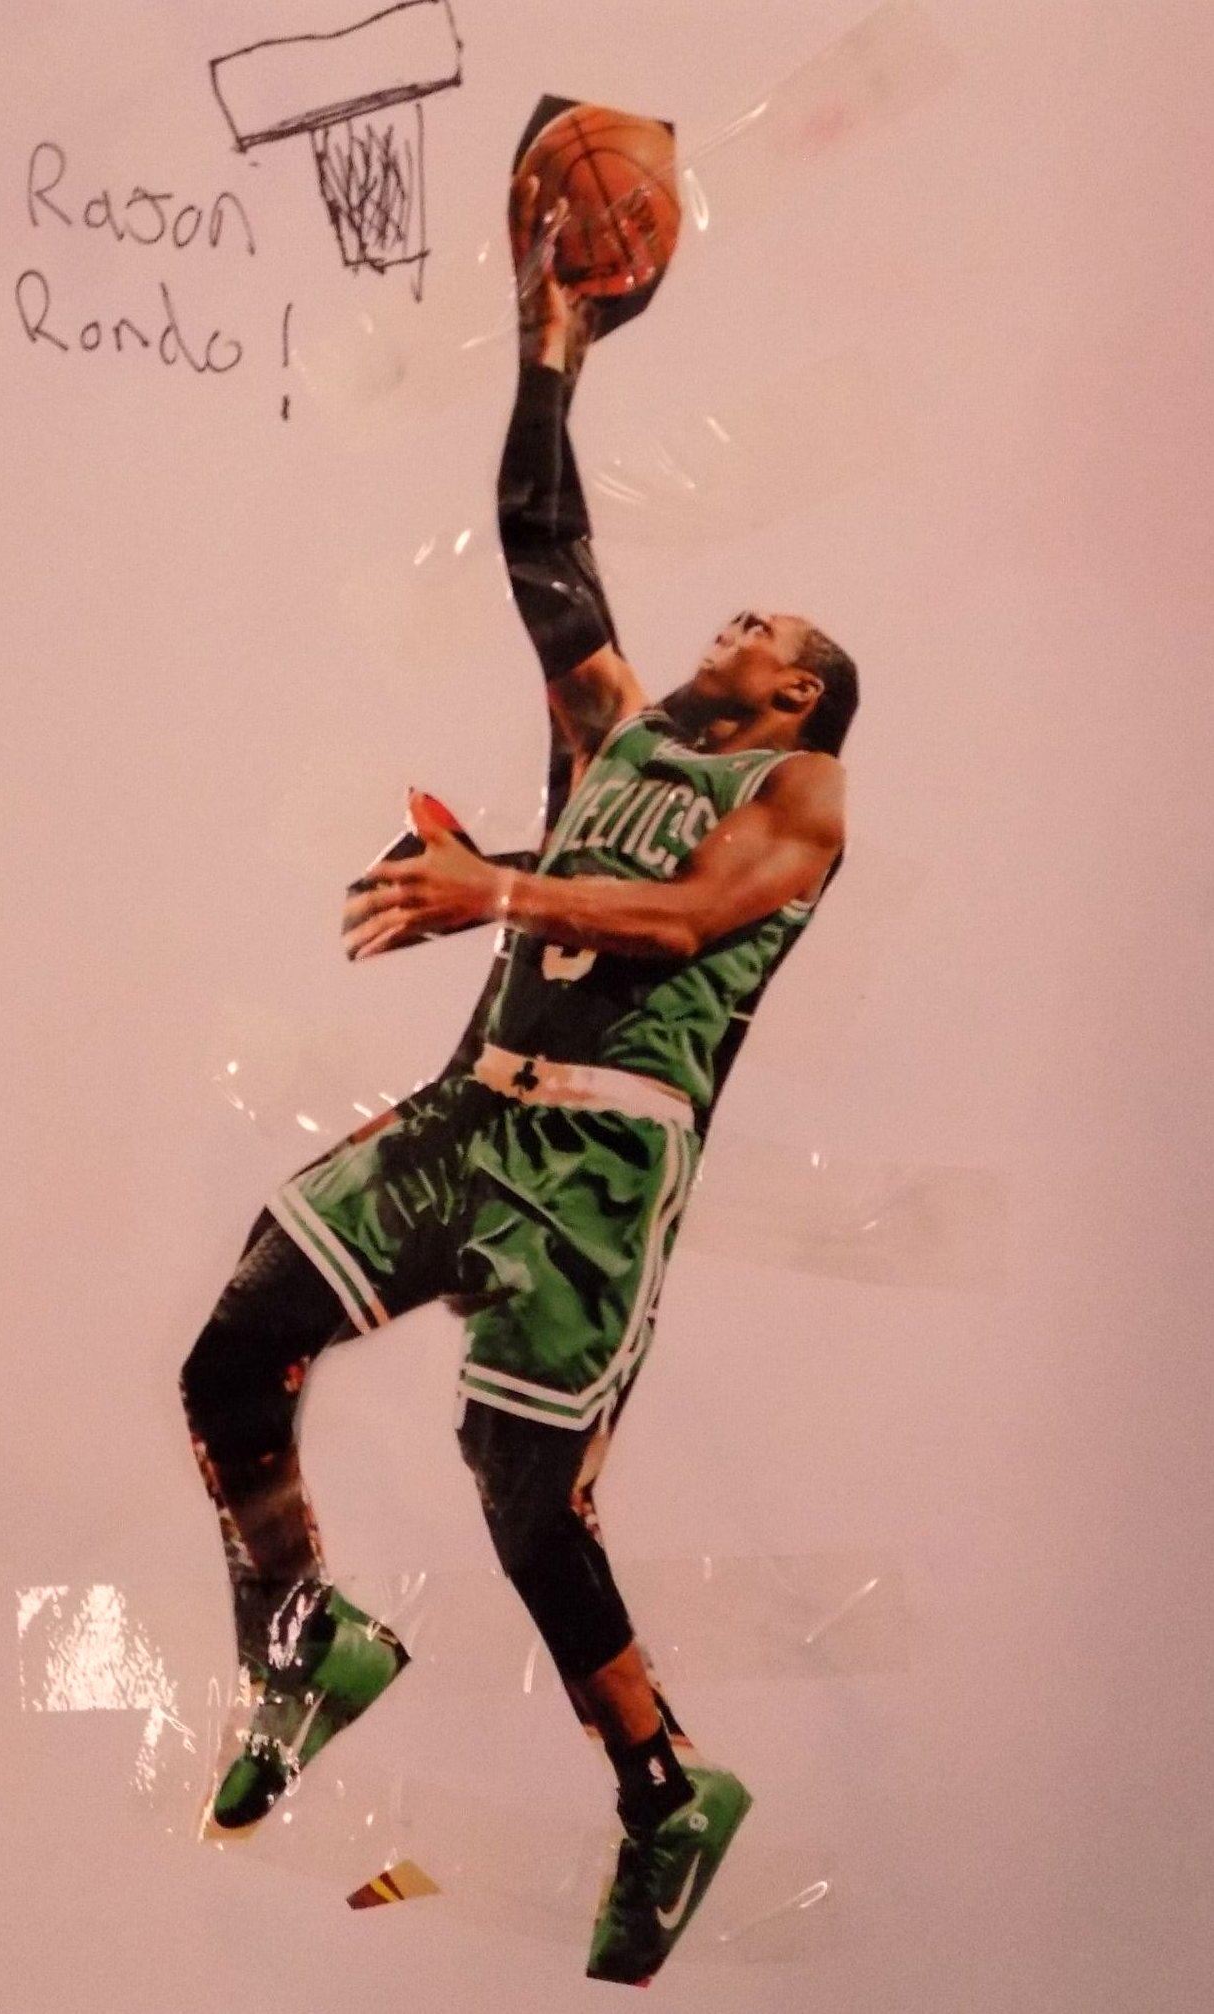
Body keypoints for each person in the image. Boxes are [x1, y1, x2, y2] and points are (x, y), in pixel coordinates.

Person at [180, 173, 857, 1986]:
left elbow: (686, 919)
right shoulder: (621, 738)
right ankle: (302, 1636)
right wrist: (552, 342)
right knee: (235, 1347)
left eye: (757, 630)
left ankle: (664, 1790)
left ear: (799, 695)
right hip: (473, 1105)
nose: (724, 631)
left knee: (518, 1494)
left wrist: (494, 887)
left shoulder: (798, 796)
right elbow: (542, 545)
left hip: (597, 1171)